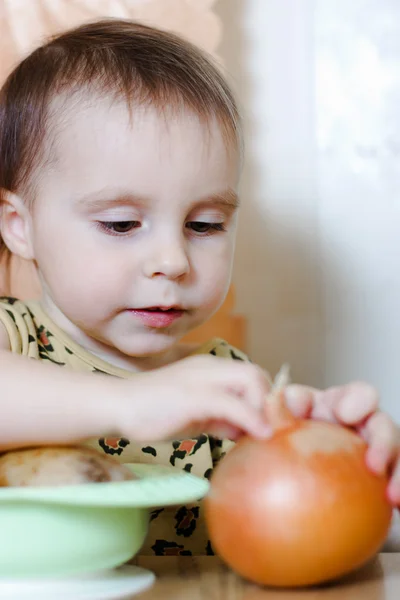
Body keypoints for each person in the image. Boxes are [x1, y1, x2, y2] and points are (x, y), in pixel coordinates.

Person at [0, 19, 398, 556]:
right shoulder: (17, 339)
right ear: (19, 226)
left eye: (204, 225)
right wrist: (128, 401)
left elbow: (298, 539)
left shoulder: (225, 389)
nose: (173, 260)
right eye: (121, 224)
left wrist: (337, 465)